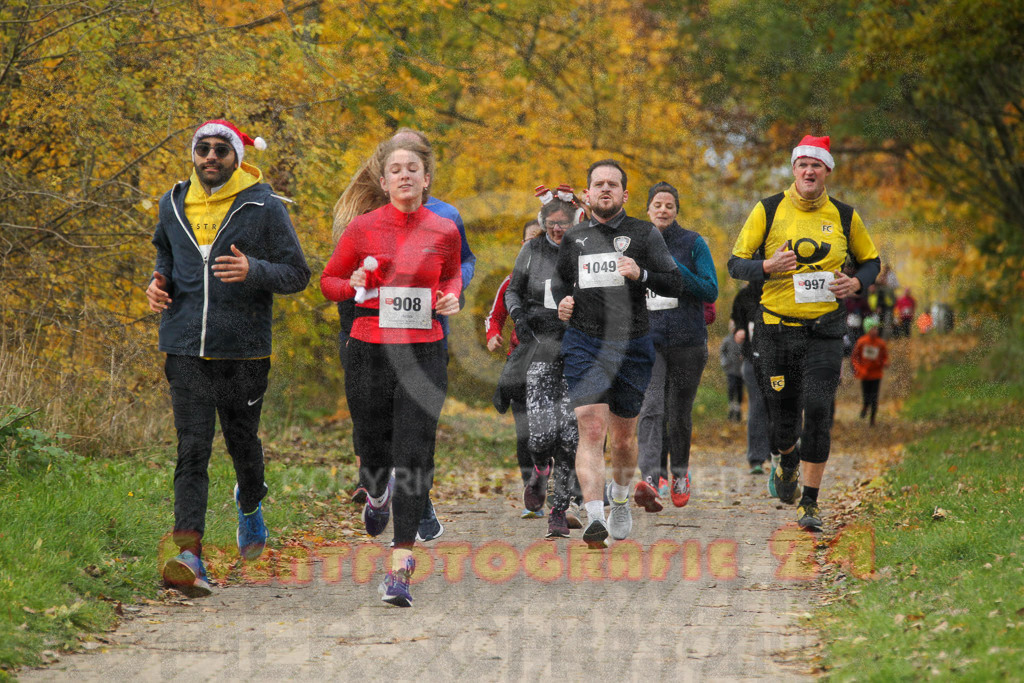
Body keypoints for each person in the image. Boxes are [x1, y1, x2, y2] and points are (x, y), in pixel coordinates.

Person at [146, 119, 311, 597]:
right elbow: (165, 254)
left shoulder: (263, 206)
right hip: (183, 348)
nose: (211, 157)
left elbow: (297, 273)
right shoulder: (173, 202)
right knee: (192, 450)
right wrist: (158, 285)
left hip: (244, 351)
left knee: (243, 446)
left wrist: (253, 269)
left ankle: (250, 503)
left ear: (237, 156)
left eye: (221, 149)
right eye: (204, 149)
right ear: (193, 154)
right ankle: (188, 556)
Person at [321, 135, 462, 607]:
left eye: (413, 169)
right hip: (369, 351)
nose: (405, 175)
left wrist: (450, 296)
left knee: (415, 452)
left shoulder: (444, 230)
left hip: (423, 351)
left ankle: (401, 564)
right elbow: (329, 281)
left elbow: (452, 276)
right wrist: (353, 283)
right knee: (372, 445)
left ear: (426, 179)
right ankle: (375, 489)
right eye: (396, 169)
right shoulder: (361, 228)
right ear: (383, 182)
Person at [727, 135, 880, 532]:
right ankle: (788, 460)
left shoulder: (846, 216)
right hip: (775, 330)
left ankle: (809, 503)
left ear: (828, 171)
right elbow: (735, 264)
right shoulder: (769, 209)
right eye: (802, 165)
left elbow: (871, 262)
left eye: (817, 165)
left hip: (824, 330)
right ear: (793, 170)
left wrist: (857, 284)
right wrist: (767, 266)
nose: (809, 171)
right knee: (782, 419)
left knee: (817, 409)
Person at [552, 160, 685, 548]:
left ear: (625, 195)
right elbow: (561, 281)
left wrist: (641, 274)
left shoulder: (644, 234)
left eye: (613, 184)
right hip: (584, 342)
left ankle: (621, 500)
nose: (605, 189)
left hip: (632, 343)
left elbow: (674, 281)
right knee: (591, 428)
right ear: (587, 193)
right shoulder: (574, 237)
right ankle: (595, 518)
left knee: (624, 440)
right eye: (598, 184)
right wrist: (562, 301)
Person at [634, 181, 718, 513]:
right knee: (651, 407)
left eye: (669, 205)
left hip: (687, 342)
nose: (663, 210)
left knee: (678, 413)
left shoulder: (693, 243)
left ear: (676, 210)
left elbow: (709, 290)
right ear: (648, 210)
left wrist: (674, 269)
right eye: (657, 205)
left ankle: (680, 475)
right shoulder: (635, 244)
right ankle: (651, 479)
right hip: (648, 341)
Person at [506, 188, 586, 538]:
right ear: (543, 222)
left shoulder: (586, 248)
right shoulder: (531, 250)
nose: (557, 229)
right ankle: (539, 469)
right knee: (539, 435)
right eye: (551, 223)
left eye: (564, 223)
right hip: (540, 346)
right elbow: (512, 289)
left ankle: (559, 510)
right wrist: (518, 315)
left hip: (580, 346)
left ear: (575, 221)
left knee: (570, 435)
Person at [485, 220, 545, 518]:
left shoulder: (564, 277)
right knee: (524, 433)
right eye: (528, 239)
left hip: (554, 364)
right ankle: (531, 492)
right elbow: (494, 316)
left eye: (539, 238)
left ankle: (562, 488)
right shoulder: (511, 281)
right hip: (520, 362)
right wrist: (492, 335)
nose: (533, 244)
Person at [729, 280, 771, 474]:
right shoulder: (743, 296)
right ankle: (756, 458)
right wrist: (738, 330)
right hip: (751, 361)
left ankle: (780, 451)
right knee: (758, 405)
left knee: (779, 405)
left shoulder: (780, 291)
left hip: (778, 360)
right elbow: (735, 322)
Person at [851, 317, 888, 426]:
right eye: (873, 328)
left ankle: (872, 419)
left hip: (876, 374)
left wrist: (885, 363)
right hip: (865, 375)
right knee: (866, 396)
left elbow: (885, 356)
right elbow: (854, 358)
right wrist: (859, 369)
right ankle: (865, 407)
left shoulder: (881, 343)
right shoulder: (861, 342)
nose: (875, 331)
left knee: (874, 397)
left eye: (876, 328)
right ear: (867, 329)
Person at [720, 326, 744, 422]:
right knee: (731, 386)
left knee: (739, 389)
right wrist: (725, 362)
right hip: (730, 369)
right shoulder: (727, 340)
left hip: (741, 370)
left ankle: (738, 409)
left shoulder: (744, 339)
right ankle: (731, 407)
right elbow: (722, 351)